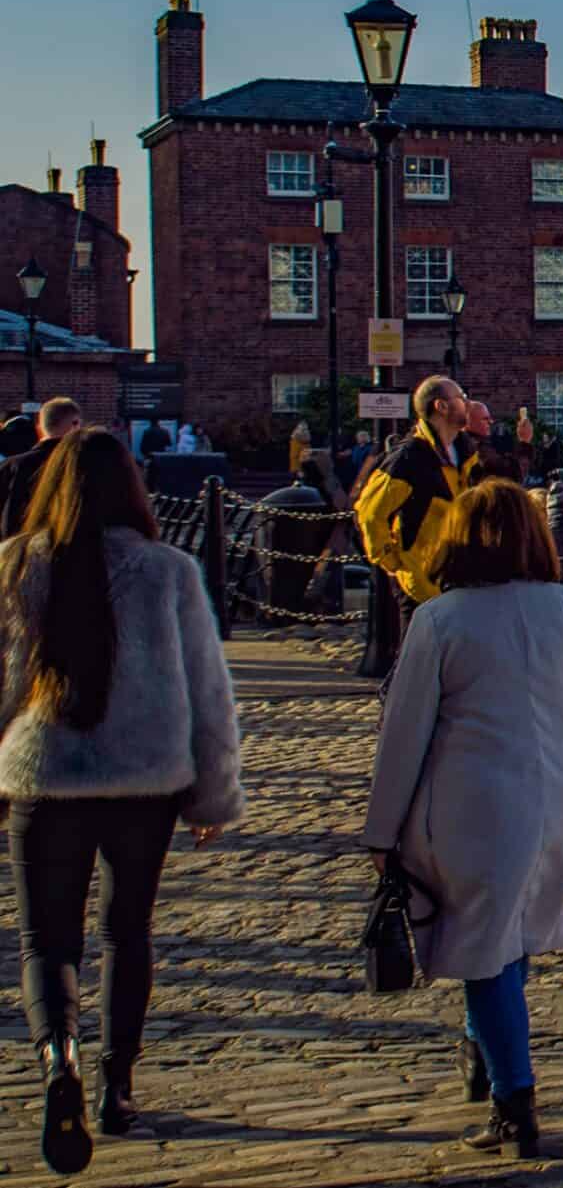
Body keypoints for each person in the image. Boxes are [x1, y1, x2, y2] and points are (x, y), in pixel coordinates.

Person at [362, 482, 563, 1161]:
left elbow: (403, 737)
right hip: (560, 803)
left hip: (474, 811)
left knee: (485, 949)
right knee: (509, 938)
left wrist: (380, 833)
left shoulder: (441, 619)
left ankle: (512, 1099)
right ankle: (489, 1054)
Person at [0, 431, 242, 1170]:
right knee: (125, 930)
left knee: (47, 940)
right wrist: (213, 793)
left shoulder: (17, 564)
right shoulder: (167, 570)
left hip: (47, 771)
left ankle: (58, 1061)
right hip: (147, 776)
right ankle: (118, 1082)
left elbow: (3, 679)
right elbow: (210, 694)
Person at [354, 376, 471, 613]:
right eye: (461, 397)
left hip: (456, 577)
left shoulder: (464, 449)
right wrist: (391, 560)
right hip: (421, 585)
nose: (467, 403)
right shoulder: (409, 457)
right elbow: (369, 511)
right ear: (441, 406)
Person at [0, 397, 83, 536]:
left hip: (16, 548)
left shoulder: (9, 466)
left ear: (40, 428)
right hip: (72, 547)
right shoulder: (85, 464)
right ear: (75, 424)